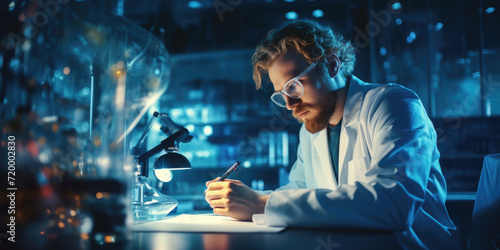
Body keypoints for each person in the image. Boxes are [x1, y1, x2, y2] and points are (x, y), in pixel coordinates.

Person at [204, 19, 460, 249]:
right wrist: (248, 198)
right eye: (282, 95)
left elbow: (393, 205)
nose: (291, 105)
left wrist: (261, 204)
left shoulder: (394, 104)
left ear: (331, 64)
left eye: (293, 86)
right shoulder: (312, 127)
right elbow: (299, 190)